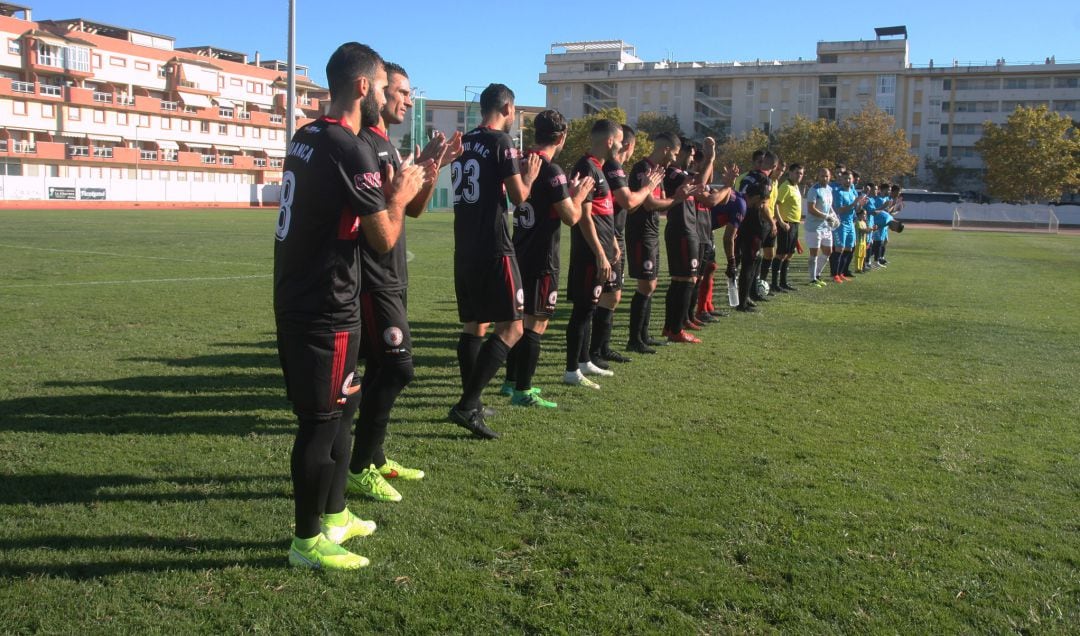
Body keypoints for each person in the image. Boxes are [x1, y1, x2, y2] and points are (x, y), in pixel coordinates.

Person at [274, 42, 427, 570]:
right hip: (325, 303)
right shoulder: (349, 145)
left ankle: (336, 515)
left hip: (307, 294)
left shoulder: (307, 135)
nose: (388, 94)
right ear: (363, 86)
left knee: (345, 406)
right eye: (385, 85)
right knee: (320, 422)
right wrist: (401, 194)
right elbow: (382, 239)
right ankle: (306, 542)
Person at [347, 63, 458, 504]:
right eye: (402, 91)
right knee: (397, 368)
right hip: (374, 279)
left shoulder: (387, 146)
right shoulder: (364, 147)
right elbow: (375, 222)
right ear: (377, 92)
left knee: (382, 368)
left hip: (395, 276)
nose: (408, 100)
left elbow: (411, 210)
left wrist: (431, 170)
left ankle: (372, 458)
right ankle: (358, 467)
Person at [449, 83, 541, 439]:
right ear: (506, 108)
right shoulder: (500, 142)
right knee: (513, 327)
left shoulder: (465, 142)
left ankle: (469, 400)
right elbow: (519, 197)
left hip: (465, 245)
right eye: (514, 110)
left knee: (475, 326)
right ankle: (466, 406)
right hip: (493, 246)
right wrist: (530, 175)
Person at [499, 109, 592, 407]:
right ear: (561, 137)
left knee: (520, 321)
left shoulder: (523, 162)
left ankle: (511, 381)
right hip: (542, 258)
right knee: (536, 324)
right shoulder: (552, 170)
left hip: (519, 251)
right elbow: (571, 217)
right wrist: (578, 194)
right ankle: (523, 390)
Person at [589, 124, 664, 367]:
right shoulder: (612, 168)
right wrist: (648, 189)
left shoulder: (615, 167)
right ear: (628, 146)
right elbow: (630, 204)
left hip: (614, 234)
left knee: (612, 296)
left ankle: (602, 348)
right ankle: (595, 352)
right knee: (606, 296)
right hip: (609, 235)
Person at [564, 119, 625, 388]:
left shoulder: (599, 168)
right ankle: (570, 371)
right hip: (588, 253)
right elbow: (585, 217)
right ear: (609, 141)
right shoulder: (586, 166)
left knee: (590, 308)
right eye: (620, 140)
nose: (622, 147)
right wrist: (600, 252)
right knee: (582, 310)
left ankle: (584, 360)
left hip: (600, 248)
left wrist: (611, 240)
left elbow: (602, 212)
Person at [623, 132, 686, 353]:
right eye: (675, 154)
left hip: (651, 232)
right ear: (666, 149)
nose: (675, 160)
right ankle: (634, 340)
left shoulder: (658, 171)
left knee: (652, 284)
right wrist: (677, 199)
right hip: (640, 234)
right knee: (646, 284)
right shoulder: (643, 169)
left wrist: (673, 198)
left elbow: (659, 202)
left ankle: (643, 335)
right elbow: (650, 204)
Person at [662, 137, 714, 342]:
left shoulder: (681, 173)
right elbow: (701, 184)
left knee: (682, 281)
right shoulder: (673, 173)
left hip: (686, 230)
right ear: (682, 152)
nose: (693, 159)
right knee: (685, 280)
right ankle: (676, 329)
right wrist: (710, 158)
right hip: (681, 231)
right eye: (691, 154)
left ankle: (672, 327)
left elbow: (703, 183)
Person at [771, 163, 804, 292]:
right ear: (789, 172)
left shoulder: (795, 187)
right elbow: (776, 205)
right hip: (786, 223)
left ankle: (783, 282)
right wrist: (781, 222)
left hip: (795, 224)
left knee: (790, 253)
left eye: (801, 173)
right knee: (781, 253)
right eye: (797, 172)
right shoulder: (785, 186)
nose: (799, 176)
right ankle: (774, 284)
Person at [828, 170, 866, 283]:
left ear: (852, 180)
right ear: (841, 180)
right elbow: (839, 210)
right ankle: (834, 274)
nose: (847, 181)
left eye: (849, 179)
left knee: (849, 249)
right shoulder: (838, 192)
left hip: (850, 224)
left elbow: (856, 210)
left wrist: (860, 205)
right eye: (845, 178)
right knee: (839, 249)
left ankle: (841, 273)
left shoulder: (853, 193)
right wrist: (854, 204)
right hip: (840, 224)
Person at [804, 168, 835, 287]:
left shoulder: (829, 189)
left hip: (826, 226)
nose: (824, 178)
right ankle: (812, 279)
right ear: (818, 176)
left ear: (830, 177)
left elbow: (829, 205)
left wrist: (833, 216)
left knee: (828, 251)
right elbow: (811, 209)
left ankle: (817, 275)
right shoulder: (814, 190)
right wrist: (826, 216)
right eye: (822, 176)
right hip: (814, 227)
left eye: (826, 176)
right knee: (814, 253)